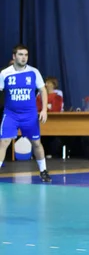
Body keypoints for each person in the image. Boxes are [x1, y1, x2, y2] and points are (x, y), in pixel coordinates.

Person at [0, 44, 51, 182]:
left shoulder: (34, 72)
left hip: (29, 115)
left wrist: (44, 109)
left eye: (26, 55)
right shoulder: (5, 73)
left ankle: (43, 171)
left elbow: (43, 90)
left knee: (36, 143)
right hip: (10, 114)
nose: (24, 58)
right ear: (14, 56)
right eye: (21, 54)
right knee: (3, 142)